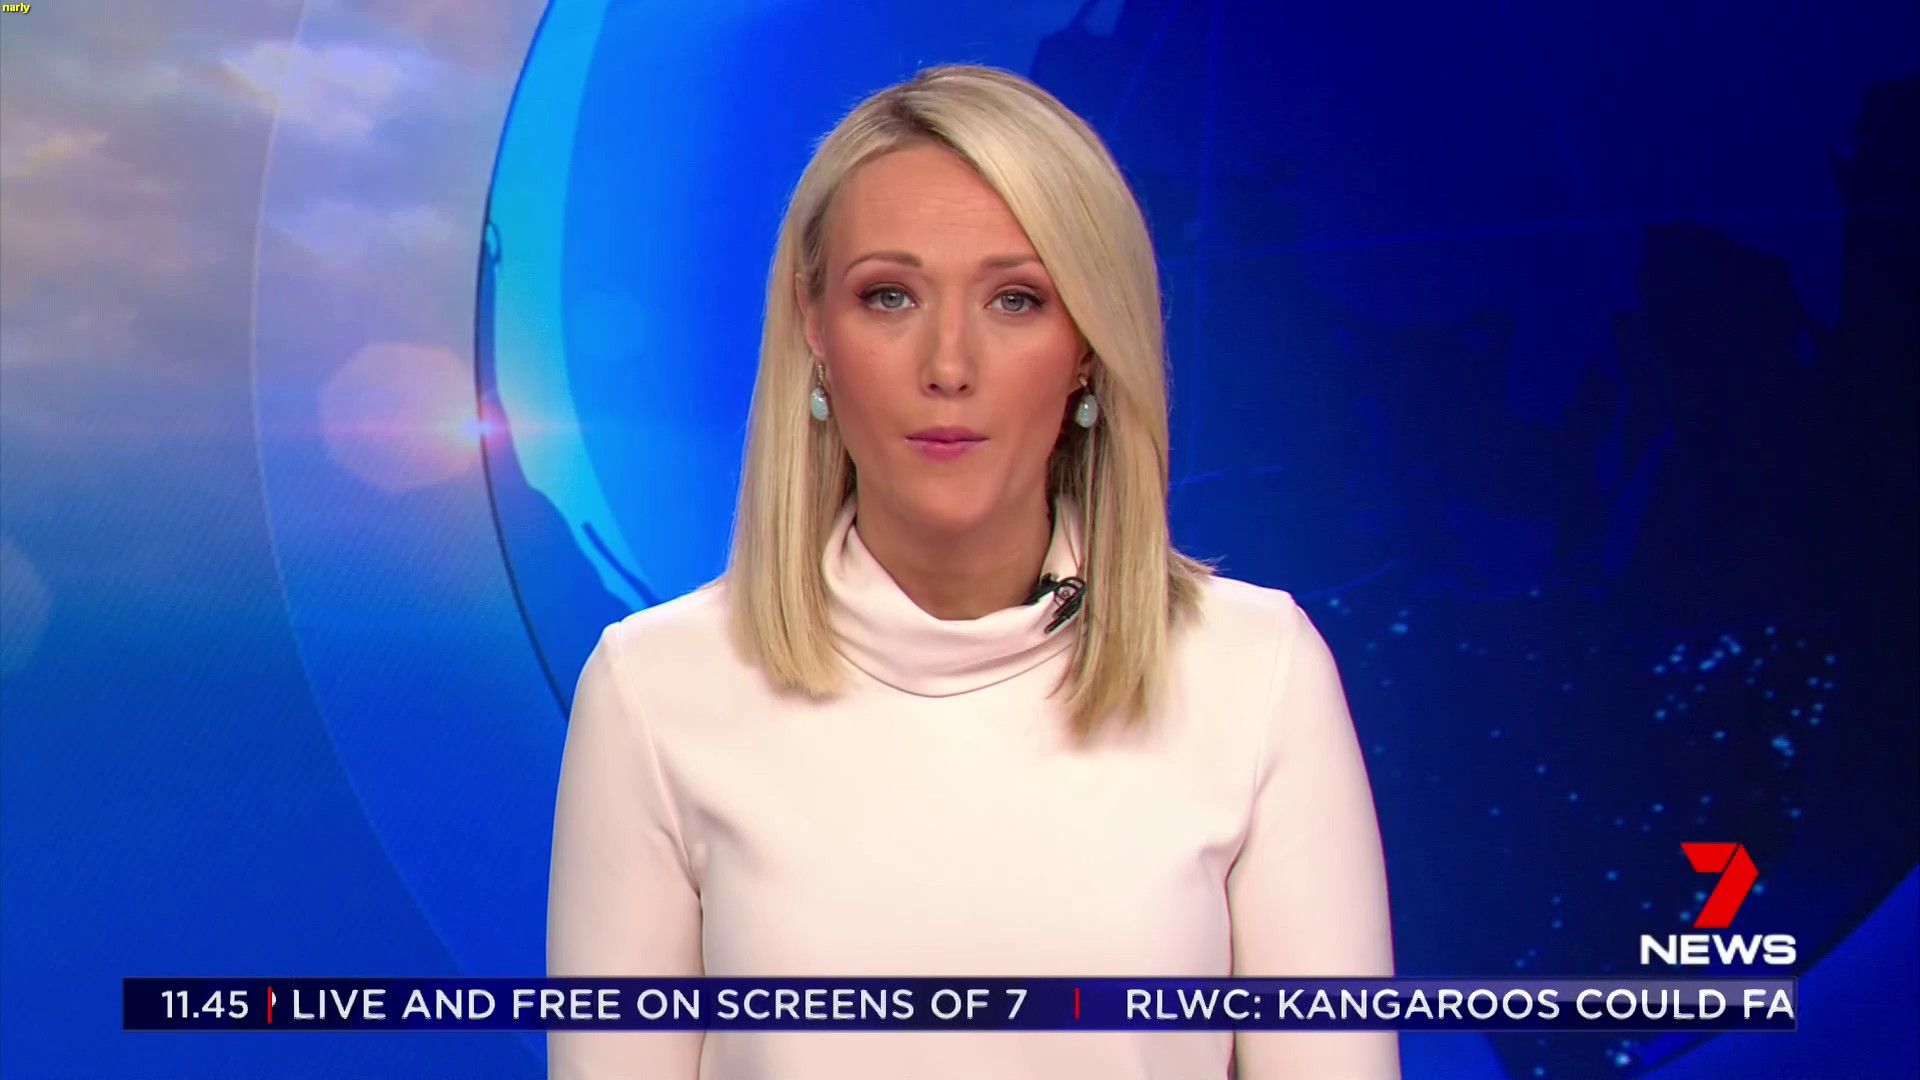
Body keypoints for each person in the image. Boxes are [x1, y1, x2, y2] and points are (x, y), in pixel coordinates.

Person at [547, 62, 1398, 1079]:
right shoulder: (654, 691)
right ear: (814, 328)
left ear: (1088, 347)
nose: (948, 365)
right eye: (890, 296)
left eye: (1016, 299)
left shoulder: (1255, 673)